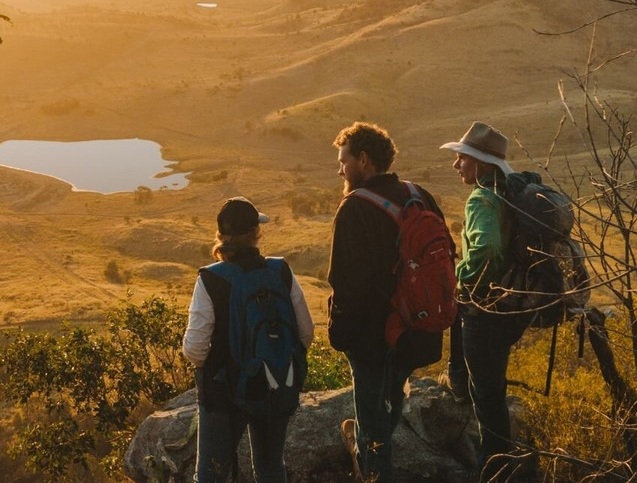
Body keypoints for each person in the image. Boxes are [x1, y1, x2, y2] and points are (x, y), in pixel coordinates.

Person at [327, 121, 445, 483]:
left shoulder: (354, 208)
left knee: (374, 419)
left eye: (344, 160)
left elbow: (345, 283)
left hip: (374, 337)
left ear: (363, 160)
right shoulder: (418, 195)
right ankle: (365, 450)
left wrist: (339, 334)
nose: (340, 168)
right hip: (417, 330)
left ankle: (371, 466)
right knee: (387, 401)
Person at [182, 197, 315, 483]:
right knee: (270, 470)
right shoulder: (280, 271)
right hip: (274, 382)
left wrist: (221, 367)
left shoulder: (210, 279)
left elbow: (194, 349)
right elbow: (305, 332)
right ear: (257, 232)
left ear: (221, 235)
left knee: (212, 474)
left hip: (221, 391)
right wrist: (275, 361)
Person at [441, 121, 531, 483]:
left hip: (486, 311)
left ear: (480, 163)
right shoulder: (509, 191)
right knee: (493, 387)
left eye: (462, 158)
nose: (456, 165)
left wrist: (463, 283)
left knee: (488, 398)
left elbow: (489, 248)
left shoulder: (481, 198)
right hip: (511, 307)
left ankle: (493, 471)